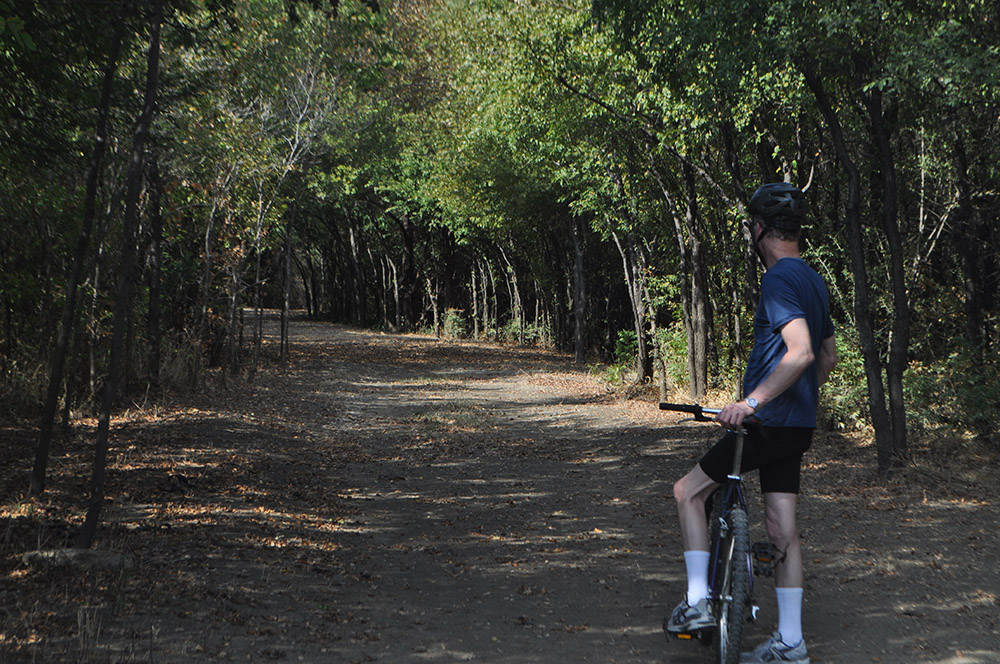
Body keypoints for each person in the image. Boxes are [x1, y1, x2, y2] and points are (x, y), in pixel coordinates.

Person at [664, 182, 837, 664]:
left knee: (688, 491)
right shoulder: (815, 280)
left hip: (764, 424)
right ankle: (790, 642)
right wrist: (799, 400)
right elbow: (828, 355)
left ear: (759, 229)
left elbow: (801, 350)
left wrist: (755, 401)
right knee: (783, 530)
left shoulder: (778, 279)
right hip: (796, 426)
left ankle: (697, 600)